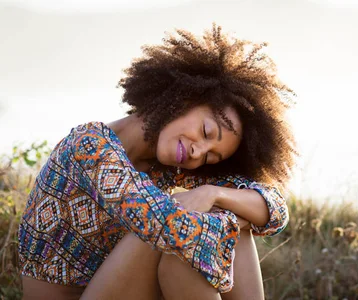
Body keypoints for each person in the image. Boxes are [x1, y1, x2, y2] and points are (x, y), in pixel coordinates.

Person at [18, 24, 296, 300]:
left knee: (217, 222)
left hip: (127, 287)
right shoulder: (89, 146)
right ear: (185, 98)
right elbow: (165, 227)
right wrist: (231, 218)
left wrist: (215, 193)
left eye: (212, 156)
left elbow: (274, 211)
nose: (199, 152)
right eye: (206, 132)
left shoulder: (169, 166)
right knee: (180, 243)